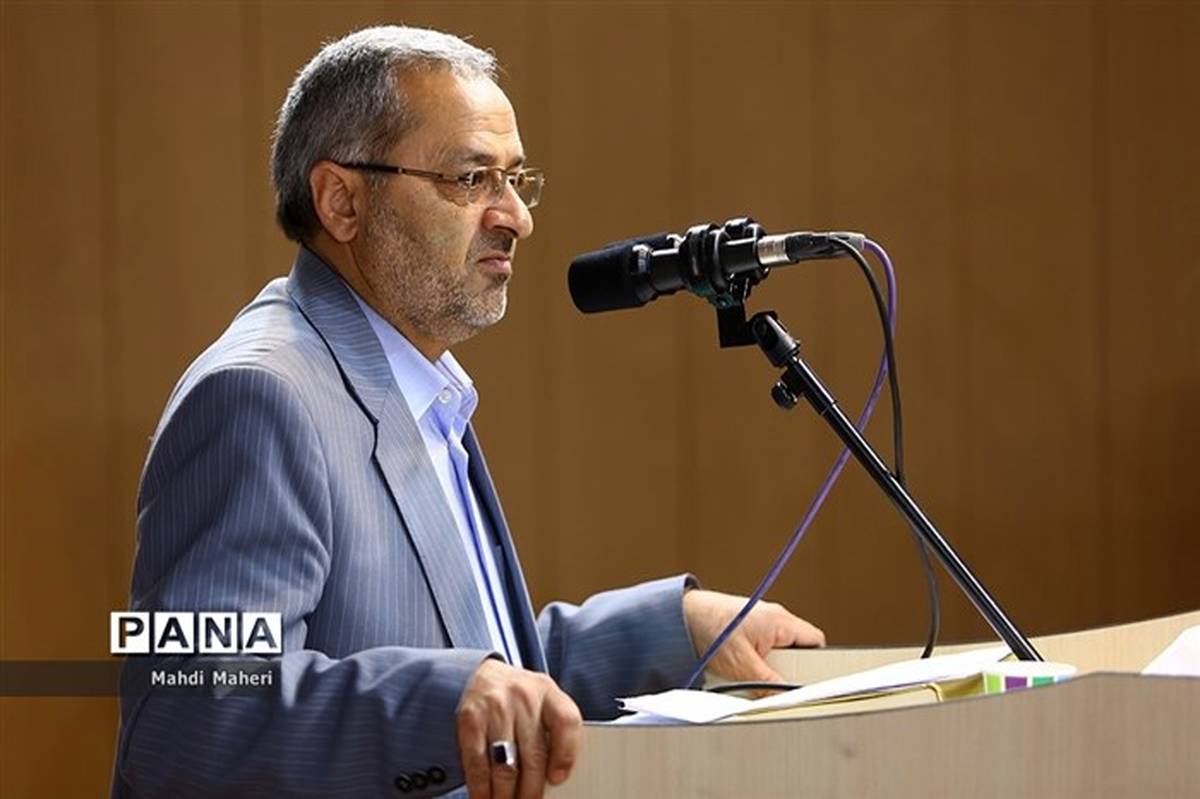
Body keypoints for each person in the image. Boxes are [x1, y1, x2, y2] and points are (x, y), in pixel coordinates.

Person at [111, 25, 824, 799]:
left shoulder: (415, 383)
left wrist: (675, 628)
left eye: (516, 179)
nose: (516, 216)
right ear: (342, 201)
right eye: (472, 178)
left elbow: (471, 653)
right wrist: (444, 700)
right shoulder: (259, 396)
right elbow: (185, 708)